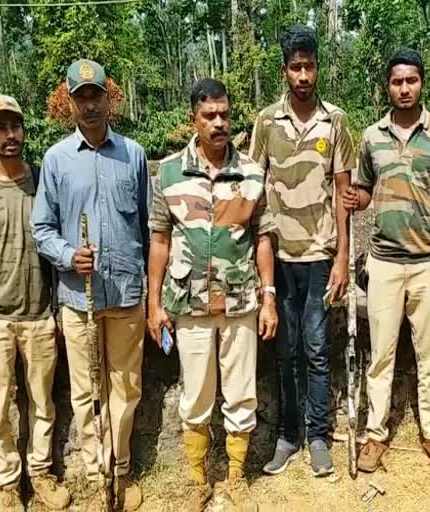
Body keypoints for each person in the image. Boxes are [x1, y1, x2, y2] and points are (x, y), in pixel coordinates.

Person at [148, 78, 277, 512]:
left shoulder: (253, 175)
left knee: (240, 393)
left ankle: (236, 479)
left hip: (241, 302)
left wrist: (270, 298)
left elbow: (263, 240)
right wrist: (154, 305)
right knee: (196, 395)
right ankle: (196, 479)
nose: (219, 123)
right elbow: (159, 242)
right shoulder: (168, 173)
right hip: (190, 304)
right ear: (194, 119)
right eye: (209, 116)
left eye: (224, 114)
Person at [32, 60, 150, 511]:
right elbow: (42, 228)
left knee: (126, 385)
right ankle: (95, 466)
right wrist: (68, 255)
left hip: (124, 295)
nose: (90, 104)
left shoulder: (134, 155)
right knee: (84, 390)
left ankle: (120, 469)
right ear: (69, 102)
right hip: (76, 298)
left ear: (109, 98)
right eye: (81, 96)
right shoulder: (56, 160)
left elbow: (145, 223)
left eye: (96, 94)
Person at [342, 49, 430, 475]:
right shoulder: (371, 136)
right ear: (387, 87)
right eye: (397, 82)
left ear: (422, 83)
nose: (404, 88)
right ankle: (375, 434)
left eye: (412, 80)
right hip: (385, 263)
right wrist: (356, 198)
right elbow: (365, 190)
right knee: (381, 354)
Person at [250, 23, 355, 477]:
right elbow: (253, 186)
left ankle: (317, 435)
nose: (303, 75)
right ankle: (287, 435)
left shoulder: (336, 121)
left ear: (318, 68)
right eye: (296, 67)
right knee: (285, 348)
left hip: (318, 255)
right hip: (279, 254)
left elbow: (343, 192)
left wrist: (344, 257)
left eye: (309, 66)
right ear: (284, 72)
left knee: (315, 347)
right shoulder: (266, 122)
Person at [0, 95, 70, 510]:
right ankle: (6, 483)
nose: (10, 135)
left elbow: (58, 253)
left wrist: (58, 312)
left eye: (16, 126)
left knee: (43, 401)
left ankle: (40, 474)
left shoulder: (43, 183)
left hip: (40, 314)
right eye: (1, 128)